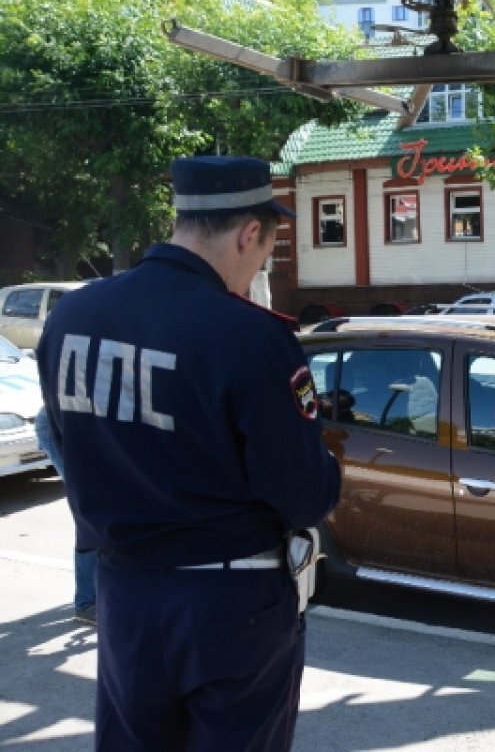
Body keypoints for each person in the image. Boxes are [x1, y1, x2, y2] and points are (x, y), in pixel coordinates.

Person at [36, 155, 342, 750]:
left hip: (124, 592)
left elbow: (72, 444)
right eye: (266, 251)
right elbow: (305, 495)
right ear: (248, 233)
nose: (260, 265)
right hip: (231, 605)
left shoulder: (73, 316)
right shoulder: (251, 336)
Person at [34, 406, 98, 625]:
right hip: (59, 426)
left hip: (87, 428)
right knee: (90, 515)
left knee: (98, 511)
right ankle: (86, 602)